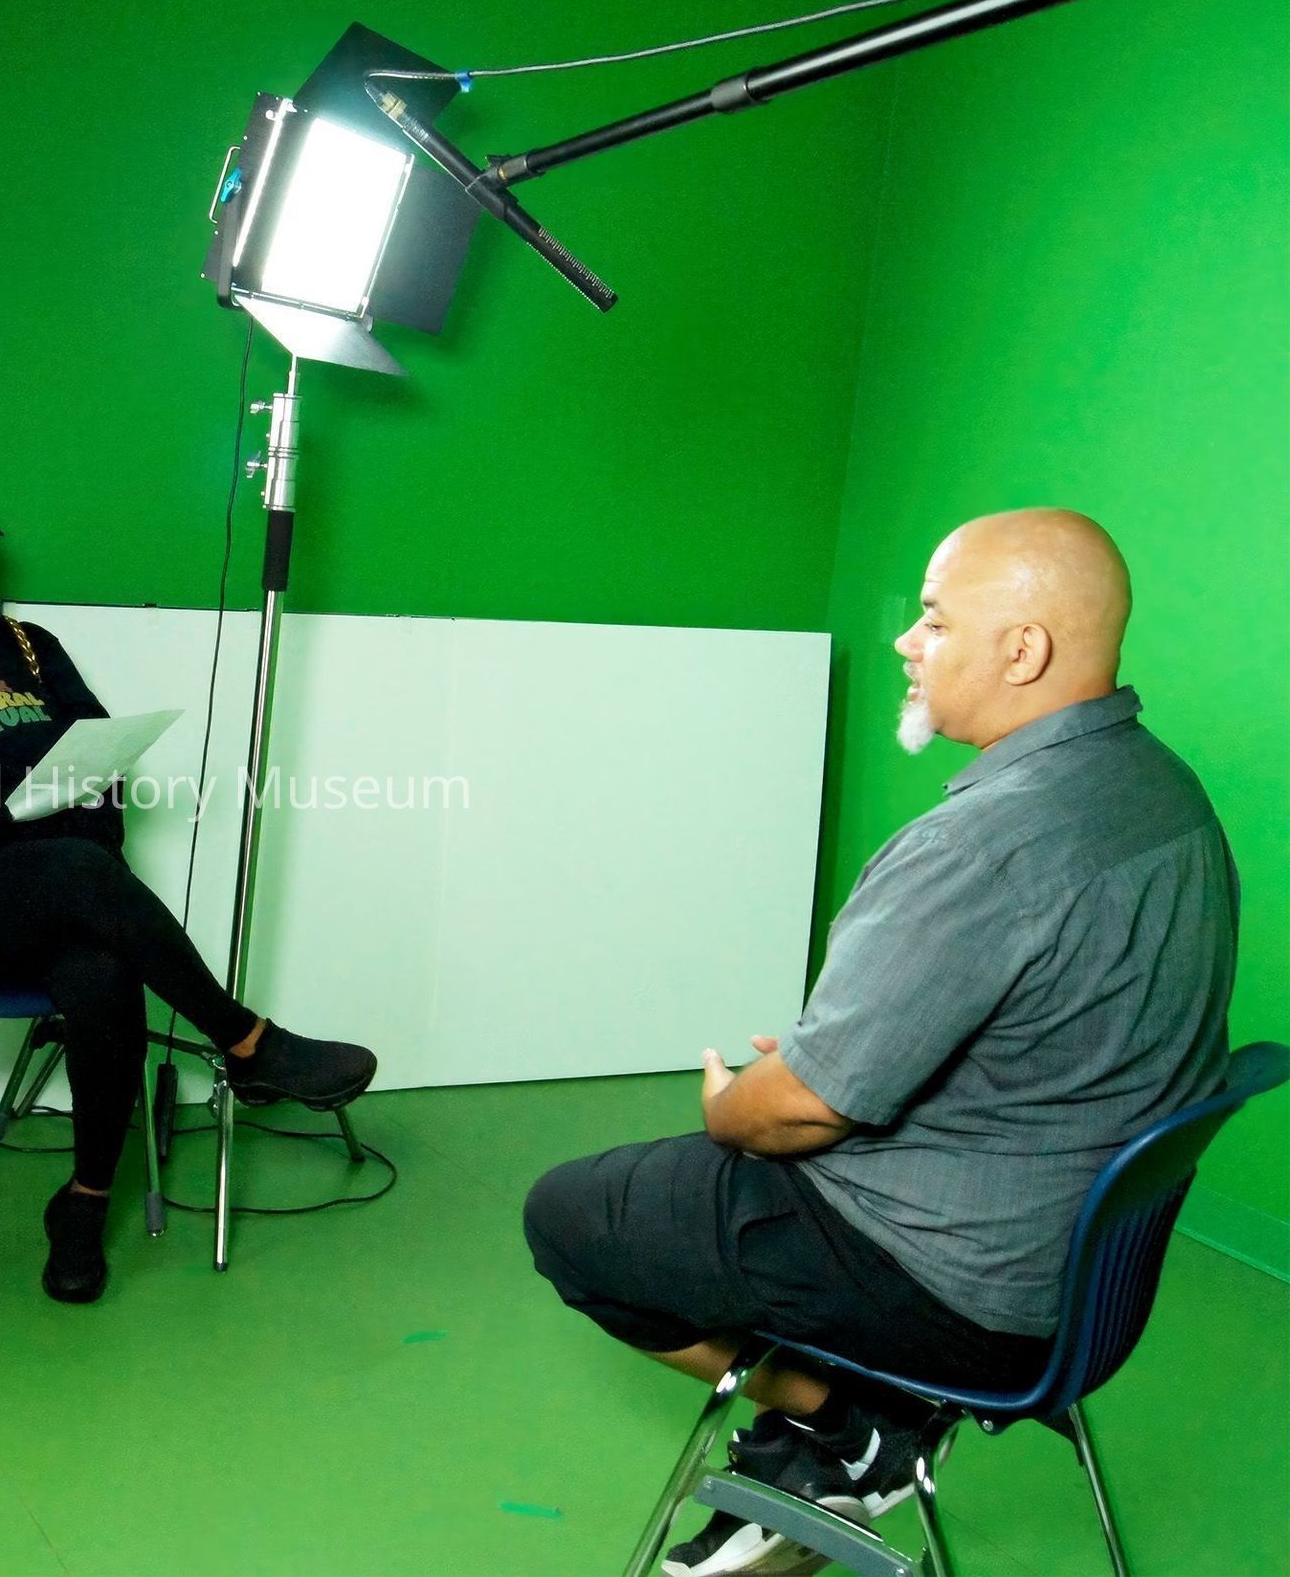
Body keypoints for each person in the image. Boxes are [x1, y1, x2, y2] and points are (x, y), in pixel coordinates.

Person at [523, 509, 1236, 1577]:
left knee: (574, 1216)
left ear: (1023, 650)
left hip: (964, 1293)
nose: (908, 640)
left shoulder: (982, 844)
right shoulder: (1165, 793)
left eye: (935, 620)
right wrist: (854, 1047)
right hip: (1080, 1278)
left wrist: (741, 1100)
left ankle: (848, 1426)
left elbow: (797, 1111)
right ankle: (836, 1445)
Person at [0, 468, 377, 1304]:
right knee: (74, 872)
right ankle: (247, 1042)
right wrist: (7, 828)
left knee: (100, 962)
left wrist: (55, 838)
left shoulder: (27, 647)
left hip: (40, 895)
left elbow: (98, 772)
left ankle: (84, 1203)